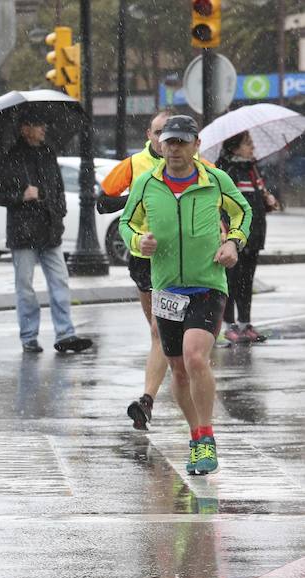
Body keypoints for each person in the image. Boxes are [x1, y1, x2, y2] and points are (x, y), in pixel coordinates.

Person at [120, 115, 251, 475]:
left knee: (195, 358)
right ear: (160, 145)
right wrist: (138, 242)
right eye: (168, 142)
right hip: (166, 288)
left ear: (196, 145)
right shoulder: (146, 183)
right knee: (178, 369)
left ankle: (207, 437)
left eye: (181, 142)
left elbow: (243, 211)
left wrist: (233, 242)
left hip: (207, 283)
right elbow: (126, 223)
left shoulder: (215, 180)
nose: (174, 149)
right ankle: (195, 436)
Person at [0, 115, 93, 354]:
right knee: (25, 286)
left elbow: (57, 188)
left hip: (49, 229)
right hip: (22, 232)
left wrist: (59, 211)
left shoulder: (49, 153)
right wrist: (21, 195)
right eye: (39, 124)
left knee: (60, 281)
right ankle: (29, 337)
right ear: (25, 128)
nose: (44, 127)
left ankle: (66, 334)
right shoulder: (10, 158)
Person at [99, 110, 174, 430]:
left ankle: (148, 399)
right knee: (158, 331)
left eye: (170, 134)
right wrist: (138, 196)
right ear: (148, 134)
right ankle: (166, 376)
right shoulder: (133, 165)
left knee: (163, 331)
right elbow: (103, 201)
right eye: (158, 133)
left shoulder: (196, 167)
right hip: (143, 256)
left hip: (179, 258)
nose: (163, 140)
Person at [216, 131, 280, 344]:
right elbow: (227, 206)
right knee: (231, 282)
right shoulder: (228, 171)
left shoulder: (251, 168)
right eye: (248, 143)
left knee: (246, 281)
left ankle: (245, 323)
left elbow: (254, 200)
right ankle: (229, 325)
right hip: (235, 238)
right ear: (234, 147)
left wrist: (268, 201)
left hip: (254, 236)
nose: (252, 147)